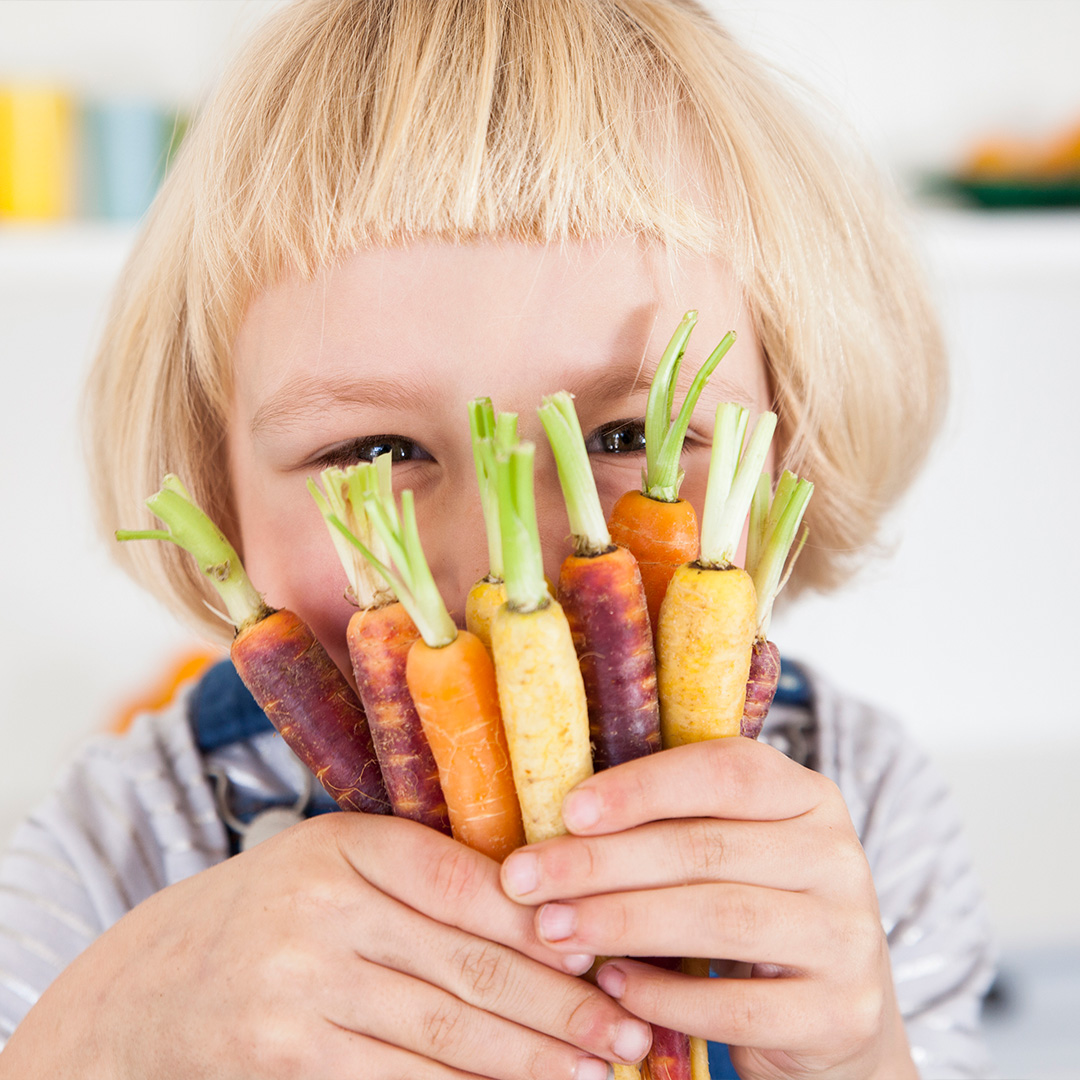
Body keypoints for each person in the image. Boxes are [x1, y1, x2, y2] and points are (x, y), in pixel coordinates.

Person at [0, 1, 995, 1077]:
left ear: (788, 450)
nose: (492, 571)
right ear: (218, 494)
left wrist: (855, 1059)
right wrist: (101, 1038)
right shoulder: (134, 836)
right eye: (373, 452)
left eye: (626, 435)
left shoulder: (861, 812)